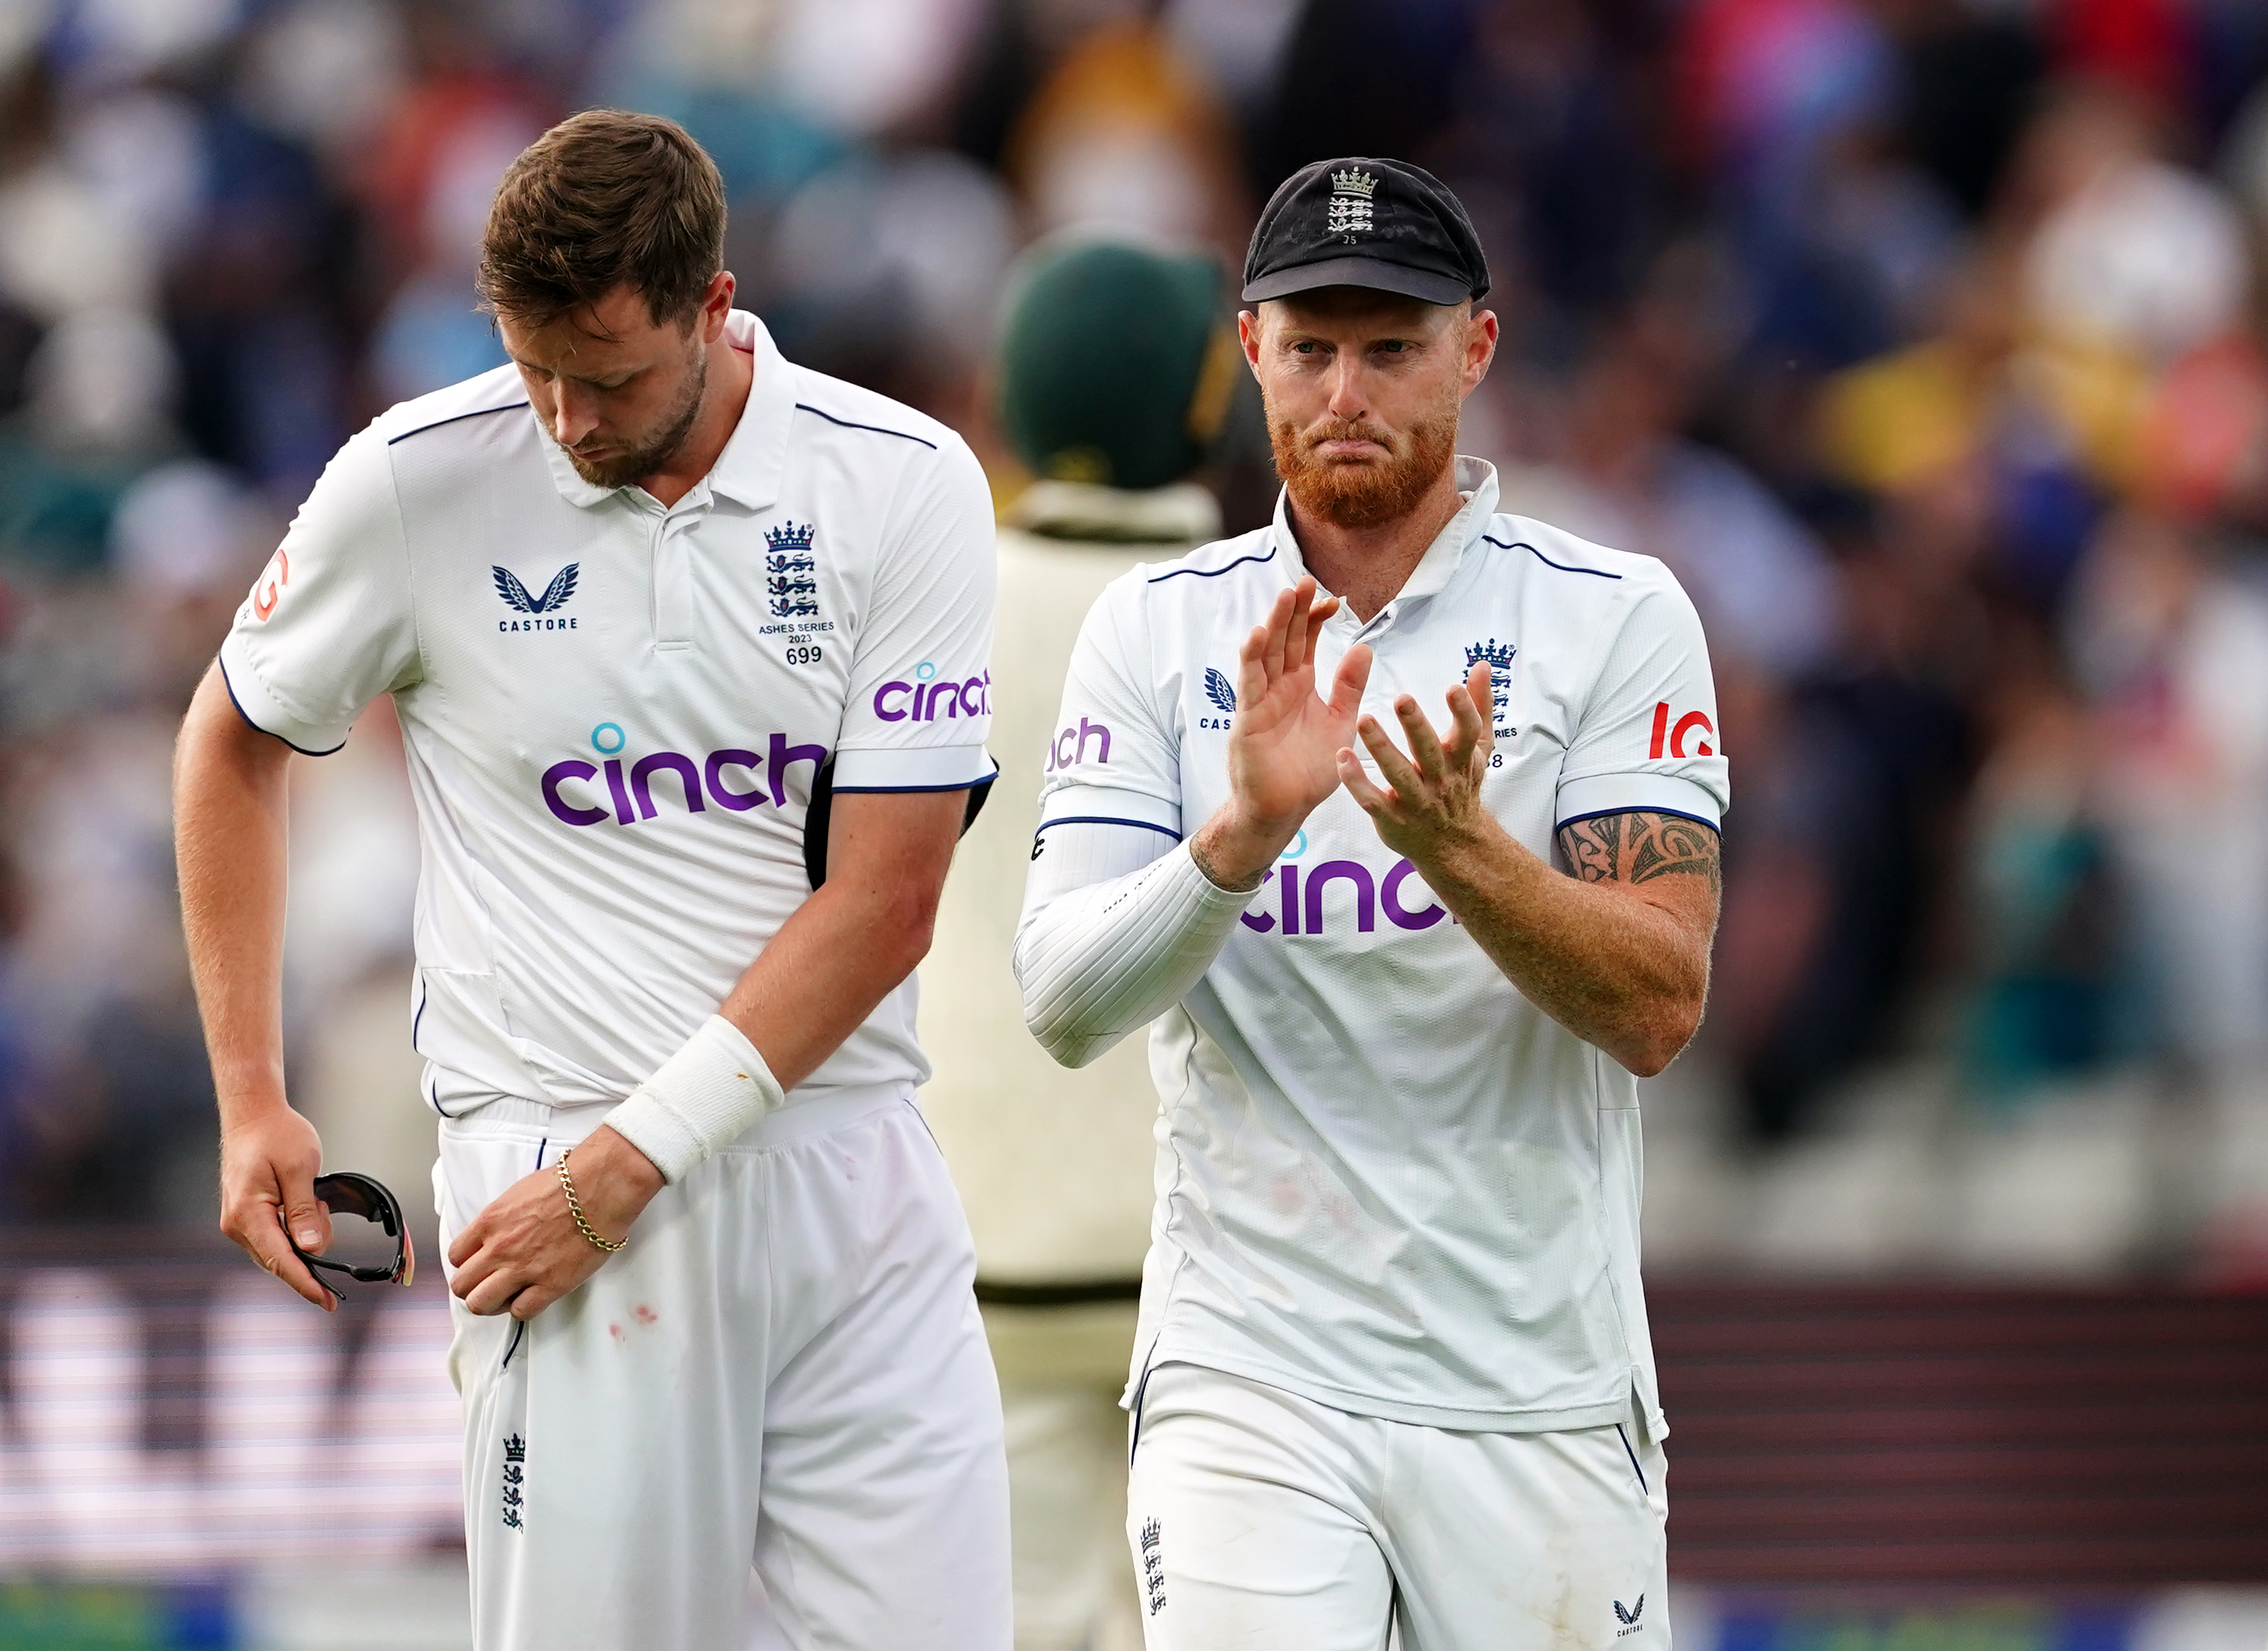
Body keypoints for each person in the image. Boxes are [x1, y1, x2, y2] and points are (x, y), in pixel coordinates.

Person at [173, 110, 1009, 1651]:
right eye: (533, 366)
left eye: (610, 376)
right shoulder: (416, 478)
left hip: (837, 1171)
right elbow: (230, 745)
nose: (563, 416)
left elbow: (889, 904)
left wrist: (630, 1167)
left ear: (713, 305)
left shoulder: (904, 484)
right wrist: (249, 1093)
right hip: (545, 1165)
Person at [1014, 156, 1727, 1650]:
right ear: (1250, 350)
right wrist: (1244, 832)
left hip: (1536, 1384)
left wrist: (1459, 849)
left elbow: (1658, 1004)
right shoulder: (1154, 627)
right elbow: (1064, 1003)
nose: (1348, 388)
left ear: (1476, 348)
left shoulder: (1615, 614)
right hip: (1248, 1368)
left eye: (1392, 346)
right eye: (1313, 345)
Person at [916, 233, 1238, 1651]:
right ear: (1208, 405)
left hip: (974, 1236)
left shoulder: (916, 607)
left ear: (1002, 398)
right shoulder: (1273, 612)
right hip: (1226, 1251)